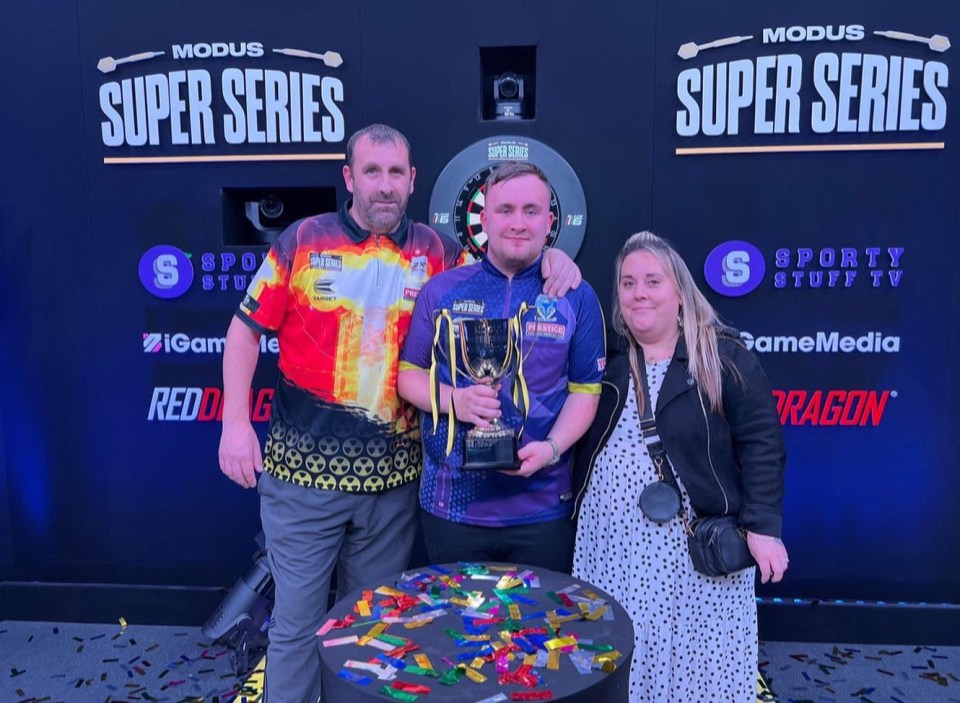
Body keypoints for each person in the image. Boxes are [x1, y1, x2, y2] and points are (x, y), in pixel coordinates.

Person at [217, 125, 581, 703]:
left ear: (412, 181)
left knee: (377, 630)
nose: (384, 187)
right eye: (371, 171)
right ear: (349, 178)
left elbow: (506, 261)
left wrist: (555, 257)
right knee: (295, 629)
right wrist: (235, 422)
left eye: (395, 174)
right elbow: (244, 330)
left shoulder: (441, 253)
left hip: (394, 484)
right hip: (302, 481)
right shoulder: (301, 241)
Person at [571, 231, 788, 703]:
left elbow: (762, 443)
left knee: (696, 663)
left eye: (653, 281)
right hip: (613, 549)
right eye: (628, 283)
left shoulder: (721, 356)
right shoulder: (607, 359)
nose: (639, 293)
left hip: (689, 548)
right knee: (625, 652)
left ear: (680, 292)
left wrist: (762, 527)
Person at [398, 161, 606, 572]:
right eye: (505, 210)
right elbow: (409, 376)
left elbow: (586, 392)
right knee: (458, 633)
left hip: (544, 509)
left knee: (541, 636)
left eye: (531, 211)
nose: (518, 223)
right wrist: (454, 399)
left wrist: (551, 449)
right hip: (452, 506)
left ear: (549, 221)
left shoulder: (575, 296)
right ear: (484, 218)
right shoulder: (442, 290)